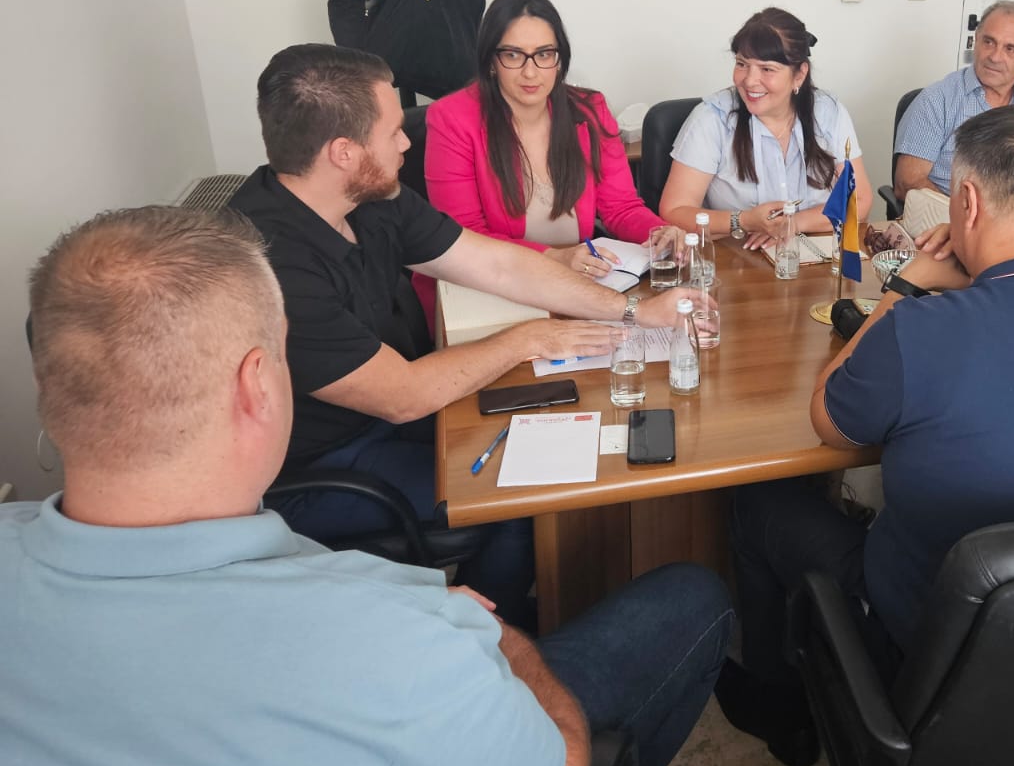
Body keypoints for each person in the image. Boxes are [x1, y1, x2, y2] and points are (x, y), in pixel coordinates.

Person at [1, 206, 732, 766]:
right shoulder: (403, 636)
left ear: (51, 386)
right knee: (694, 599)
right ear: (258, 385)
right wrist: (497, 640)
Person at [716, 106, 1014, 766]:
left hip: (934, 651)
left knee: (759, 502)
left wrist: (905, 286)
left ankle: (779, 705)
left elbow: (828, 419)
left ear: (965, 202)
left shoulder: (922, 330)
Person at [228, 44, 701, 627]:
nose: (405, 144)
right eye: (394, 133)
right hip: (320, 466)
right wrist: (528, 339)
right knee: (513, 495)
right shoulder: (269, 263)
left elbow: (498, 265)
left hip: (385, 418)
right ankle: (484, 639)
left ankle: (533, 599)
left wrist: (633, 311)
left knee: (549, 423)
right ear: (343, 152)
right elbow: (401, 396)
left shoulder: (371, 197)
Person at [424, 0, 674, 312]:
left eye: (544, 54)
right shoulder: (452, 120)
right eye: (513, 55)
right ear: (491, 61)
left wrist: (658, 233)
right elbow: (465, 239)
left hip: (577, 284)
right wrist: (555, 258)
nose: (531, 72)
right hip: (488, 289)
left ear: (559, 60)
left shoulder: (590, 110)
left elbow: (621, 207)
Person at [658, 7, 869, 250]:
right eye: (742, 64)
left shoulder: (828, 112)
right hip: (735, 258)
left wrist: (792, 224)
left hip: (815, 256)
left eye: (767, 69)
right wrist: (744, 220)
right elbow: (674, 211)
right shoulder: (711, 119)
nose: (749, 80)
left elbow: (859, 200)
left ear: (799, 75)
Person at [892, 0, 1014, 234]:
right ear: (976, 41)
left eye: (1010, 49)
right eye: (988, 42)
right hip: (951, 226)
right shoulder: (936, 99)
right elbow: (908, 183)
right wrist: (971, 220)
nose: (995, 56)